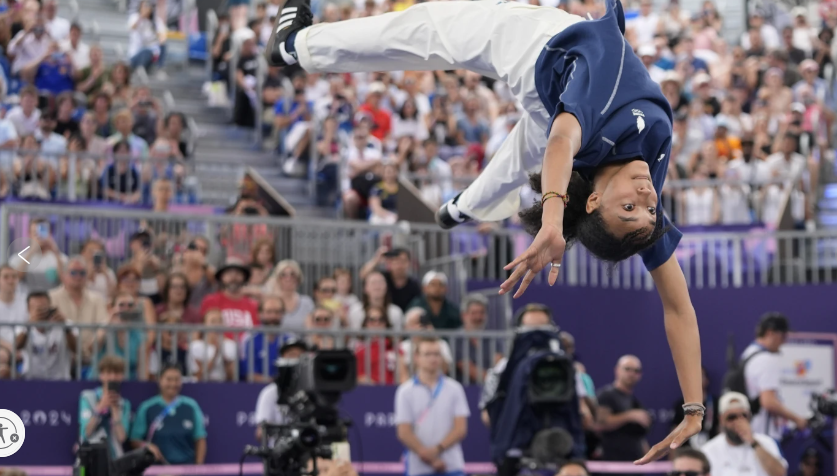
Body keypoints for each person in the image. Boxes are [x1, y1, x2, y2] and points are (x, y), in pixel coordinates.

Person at [265, 0, 703, 458]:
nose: (649, 199)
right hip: (551, 102)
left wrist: (552, 220)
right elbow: (678, 307)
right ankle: (461, 207)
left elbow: (560, 143)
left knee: (428, 28)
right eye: (648, 211)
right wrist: (694, 408)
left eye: (630, 207)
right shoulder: (645, 172)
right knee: (522, 153)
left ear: (593, 201)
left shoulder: (590, 122)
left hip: (533, 48)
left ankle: (297, 46)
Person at [394, 337, 470, 476]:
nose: (433, 358)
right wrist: (429, 457)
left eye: (436, 354)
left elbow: (460, 429)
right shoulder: (405, 391)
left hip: (452, 465)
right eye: (427, 354)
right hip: (417, 468)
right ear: (416, 357)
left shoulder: (455, 388)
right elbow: (403, 432)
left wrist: (436, 450)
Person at [740, 312, 807, 440]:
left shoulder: (748, 353)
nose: (784, 341)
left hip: (750, 430)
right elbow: (769, 402)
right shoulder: (766, 359)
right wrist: (797, 419)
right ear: (770, 333)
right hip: (763, 435)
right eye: (783, 336)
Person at [130, 364, 207, 464]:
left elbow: (200, 438)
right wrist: (147, 446)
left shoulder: (191, 406)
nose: (173, 384)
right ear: (160, 380)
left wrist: (198, 468)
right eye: (169, 379)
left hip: (186, 468)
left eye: (177, 379)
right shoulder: (147, 407)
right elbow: (135, 439)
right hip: (157, 469)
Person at [701, 392, 787, 476]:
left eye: (743, 416)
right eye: (732, 417)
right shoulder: (709, 450)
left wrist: (753, 442)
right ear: (721, 419)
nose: (738, 422)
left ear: (750, 417)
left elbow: (780, 473)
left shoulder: (766, 442)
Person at [48, 256, 109, 364]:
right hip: (59, 357)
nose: (78, 276)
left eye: (82, 273)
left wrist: (86, 351)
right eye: (73, 272)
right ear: (63, 275)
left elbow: (102, 327)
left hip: (91, 357)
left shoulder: (98, 299)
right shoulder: (51, 298)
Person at [596, 355, 651, 467]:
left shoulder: (635, 401)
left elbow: (639, 438)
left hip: (634, 464)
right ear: (617, 370)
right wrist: (630, 416)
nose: (631, 374)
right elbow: (599, 424)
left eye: (636, 371)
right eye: (627, 369)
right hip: (612, 465)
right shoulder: (607, 395)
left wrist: (649, 457)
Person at [15, 291, 78, 380]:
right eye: (37, 309)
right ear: (28, 309)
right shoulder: (23, 326)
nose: (41, 312)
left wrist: (66, 328)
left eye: (44, 308)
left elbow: (76, 349)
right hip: (31, 381)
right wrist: (28, 326)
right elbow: (16, 346)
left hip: (60, 381)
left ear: (50, 306)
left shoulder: (65, 324)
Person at [254, 339, 308, 440]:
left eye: (300, 355)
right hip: (279, 451)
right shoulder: (270, 393)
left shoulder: (312, 392)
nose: (296, 359)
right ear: (282, 359)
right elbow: (260, 433)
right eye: (292, 355)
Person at [79, 355, 131, 457]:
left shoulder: (124, 404)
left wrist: (115, 411)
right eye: (108, 373)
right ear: (101, 375)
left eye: (116, 373)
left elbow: (121, 438)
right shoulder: (87, 397)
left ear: (122, 376)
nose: (112, 377)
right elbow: (85, 433)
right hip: (90, 458)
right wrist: (100, 407)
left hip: (115, 460)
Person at [198, 260, 260, 343]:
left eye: (238, 273)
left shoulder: (254, 305)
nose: (233, 277)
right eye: (229, 273)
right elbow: (202, 329)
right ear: (221, 277)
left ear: (244, 277)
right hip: (218, 350)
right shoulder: (210, 301)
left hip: (248, 352)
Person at [240, 295, 293, 382]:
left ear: (283, 314)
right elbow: (249, 374)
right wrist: (274, 382)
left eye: (277, 312)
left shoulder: (290, 340)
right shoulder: (249, 339)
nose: (273, 316)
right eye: (269, 312)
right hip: (254, 390)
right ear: (259, 314)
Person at [397, 307, 453, 383]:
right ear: (406, 327)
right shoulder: (403, 346)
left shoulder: (441, 344)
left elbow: (444, 369)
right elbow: (403, 375)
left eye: (423, 322)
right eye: (415, 323)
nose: (420, 326)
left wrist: (432, 336)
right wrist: (417, 342)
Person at [360, 247, 421, 312]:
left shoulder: (414, 285)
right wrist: (376, 260)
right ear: (390, 263)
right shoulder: (383, 278)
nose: (399, 265)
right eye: (396, 261)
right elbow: (363, 275)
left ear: (409, 263)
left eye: (403, 261)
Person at [263, 260, 314, 330]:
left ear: (298, 278)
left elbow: (310, 330)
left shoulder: (307, 302)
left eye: (292, 275)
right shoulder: (271, 302)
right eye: (283, 275)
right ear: (278, 278)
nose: (288, 278)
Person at [188, 309, 236, 382]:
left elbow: (232, 377)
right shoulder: (195, 346)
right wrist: (216, 354)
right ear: (204, 325)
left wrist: (225, 359)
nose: (217, 325)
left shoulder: (231, 345)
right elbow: (199, 376)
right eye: (213, 321)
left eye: (220, 321)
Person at [355, 306, 396, 385]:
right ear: (365, 324)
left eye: (381, 320)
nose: (377, 323)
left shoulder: (395, 348)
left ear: (386, 323)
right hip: (372, 393)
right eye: (372, 320)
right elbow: (358, 377)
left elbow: (403, 375)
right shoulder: (359, 351)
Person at [0, 265, 27, 352]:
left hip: (23, 347)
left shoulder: (26, 303)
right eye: (6, 277)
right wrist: (10, 347)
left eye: (14, 277)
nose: (10, 281)